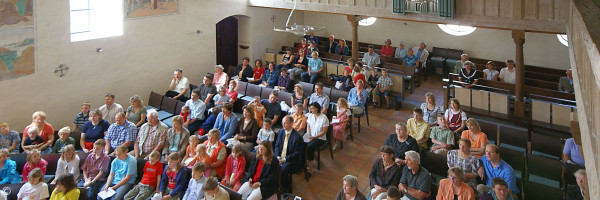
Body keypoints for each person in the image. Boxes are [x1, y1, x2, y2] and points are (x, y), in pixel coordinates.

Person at [274, 116, 304, 192]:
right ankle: (275, 184)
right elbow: (277, 145)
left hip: (292, 160)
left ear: (291, 123)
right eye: (282, 123)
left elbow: (297, 153)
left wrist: (284, 159)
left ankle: (286, 188)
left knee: (283, 169)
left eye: (285, 123)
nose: (283, 125)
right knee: (269, 163)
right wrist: (277, 156)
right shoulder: (280, 132)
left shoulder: (297, 137)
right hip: (280, 157)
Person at [305, 102, 329, 178]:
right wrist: (309, 135)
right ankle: (304, 162)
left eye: (312, 108)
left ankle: (311, 168)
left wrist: (314, 137)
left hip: (320, 138)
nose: (310, 110)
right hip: (311, 136)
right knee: (301, 144)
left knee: (309, 147)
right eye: (310, 108)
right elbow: (308, 126)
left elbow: (324, 132)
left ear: (317, 109)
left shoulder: (324, 118)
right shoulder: (310, 116)